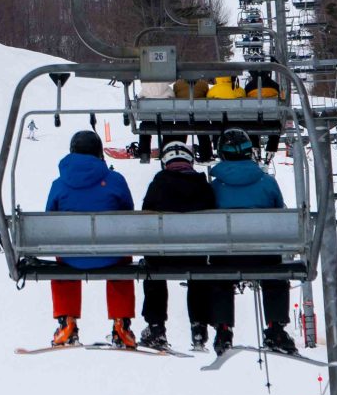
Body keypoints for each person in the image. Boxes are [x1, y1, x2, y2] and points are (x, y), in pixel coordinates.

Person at [44, 131, 137, 348]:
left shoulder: (59, 184)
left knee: (62, 256)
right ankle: (121, 324)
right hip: (111, 256)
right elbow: (128, 211)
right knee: (122, 259)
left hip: (72, 258)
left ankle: (67, 322)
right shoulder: (115, 180)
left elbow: (49, 219)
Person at [210, 128, 298, 354]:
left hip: (226, 256)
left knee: (219, 279)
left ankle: (223, 328)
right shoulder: (267, 183)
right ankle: (275, 327)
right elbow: (278, 212)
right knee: (275, 275)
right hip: (264, 255)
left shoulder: (215, 188)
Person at [138, 141, 222, 352]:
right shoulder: (203, 186)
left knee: (152, 270)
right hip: (195, 255)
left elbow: (146, 214)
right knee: (199, 273)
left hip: (162, 254)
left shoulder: (158, 184)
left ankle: (156, 327)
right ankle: (199, 327)